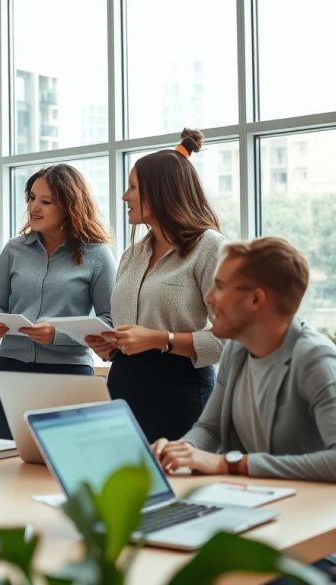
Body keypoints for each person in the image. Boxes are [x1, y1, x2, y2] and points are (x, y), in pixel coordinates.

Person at [151, 236, 336, 572]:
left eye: (220, 286)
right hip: (263, 523)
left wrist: (230, 464)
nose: (208, 297)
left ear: (257, 299)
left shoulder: (316, 361)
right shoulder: (237, 350)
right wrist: (179, 450)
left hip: (322, 543)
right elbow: (210, 428)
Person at [85, 128, 225, 443]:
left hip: (181, 395)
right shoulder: (132, 254)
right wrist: (111, 347)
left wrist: (161, 339)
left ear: (160, 192)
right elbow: (132, 334)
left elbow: (230, 341)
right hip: (122, 391)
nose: (124, 197)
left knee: (182, 488)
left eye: (132, 187)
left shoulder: (210, 248)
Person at [0, 163, 115, 439]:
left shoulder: (97, 255)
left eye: (46, 201)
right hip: (10, 369)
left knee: (65, 461)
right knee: (6, 458)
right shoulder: (14, 249)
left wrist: (58, 334)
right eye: (31, 198)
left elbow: (109, 321)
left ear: (69, 205)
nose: (34, 207)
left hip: (68, 373)